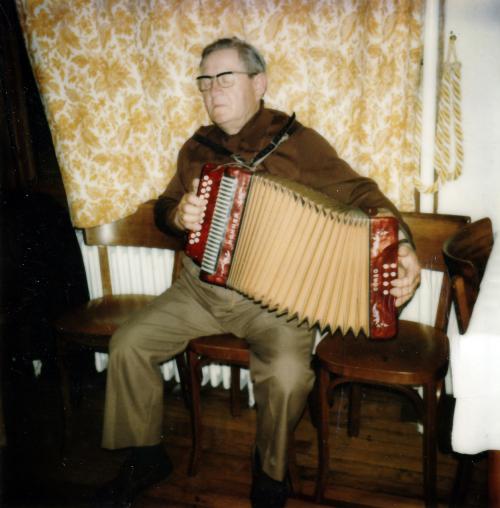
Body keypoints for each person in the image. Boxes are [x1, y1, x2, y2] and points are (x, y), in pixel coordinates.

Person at [95, 37, 421, 508]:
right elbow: (166, 207)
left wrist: (403, 243)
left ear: (259, 83)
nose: (211, 91)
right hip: (201, 290)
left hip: (276, 305)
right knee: (128, 344)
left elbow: (362, 193)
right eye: (204, 81)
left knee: (288, 376)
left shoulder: (298, 143)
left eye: (224, 78)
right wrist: (177, 214)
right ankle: (146, 455)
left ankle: (270, 470)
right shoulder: (196, 147)